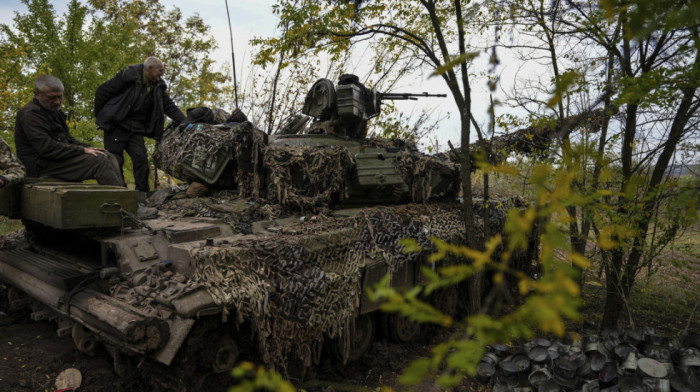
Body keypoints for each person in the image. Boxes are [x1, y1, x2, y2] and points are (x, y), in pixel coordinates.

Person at [94, 56, 186, 195]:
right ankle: (120, 192)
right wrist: (104, 116)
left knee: (141, 159)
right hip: (116, 127)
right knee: (115, 161)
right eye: (160, 70)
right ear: (149, 69)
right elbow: (102, 92)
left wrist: (185, 122)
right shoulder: (127, 77)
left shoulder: (158, 87)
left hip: (135, 129)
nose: (162, 74)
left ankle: (142, 194)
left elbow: (170, 107)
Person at [14, 75, 123, 186]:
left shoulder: (54, 111)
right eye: (52, 98)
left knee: (107, 155)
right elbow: (47, 148)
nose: (57, 102)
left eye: (60, 97)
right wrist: (82, 150)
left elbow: (67, 139)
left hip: (54, 161)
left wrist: (87, 147)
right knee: (100, 162)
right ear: (37, 94)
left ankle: (124, 196)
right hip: (40, 166)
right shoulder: (31, 114)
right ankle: (120, 200)